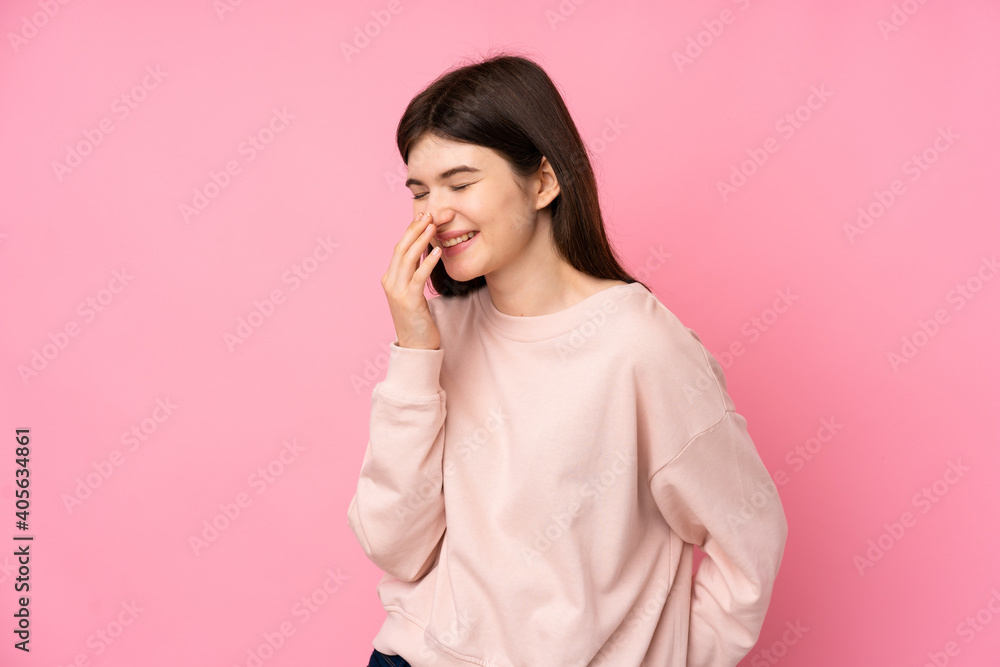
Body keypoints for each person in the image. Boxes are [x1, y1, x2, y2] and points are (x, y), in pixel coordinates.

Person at [347, 51, 788, 667]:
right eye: (420, 191)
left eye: (461, 181)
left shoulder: (639, 345)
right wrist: (414, 353)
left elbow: (750, 535)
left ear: (544, 182)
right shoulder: (438, 334)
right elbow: (395, 546)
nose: (434, 214)